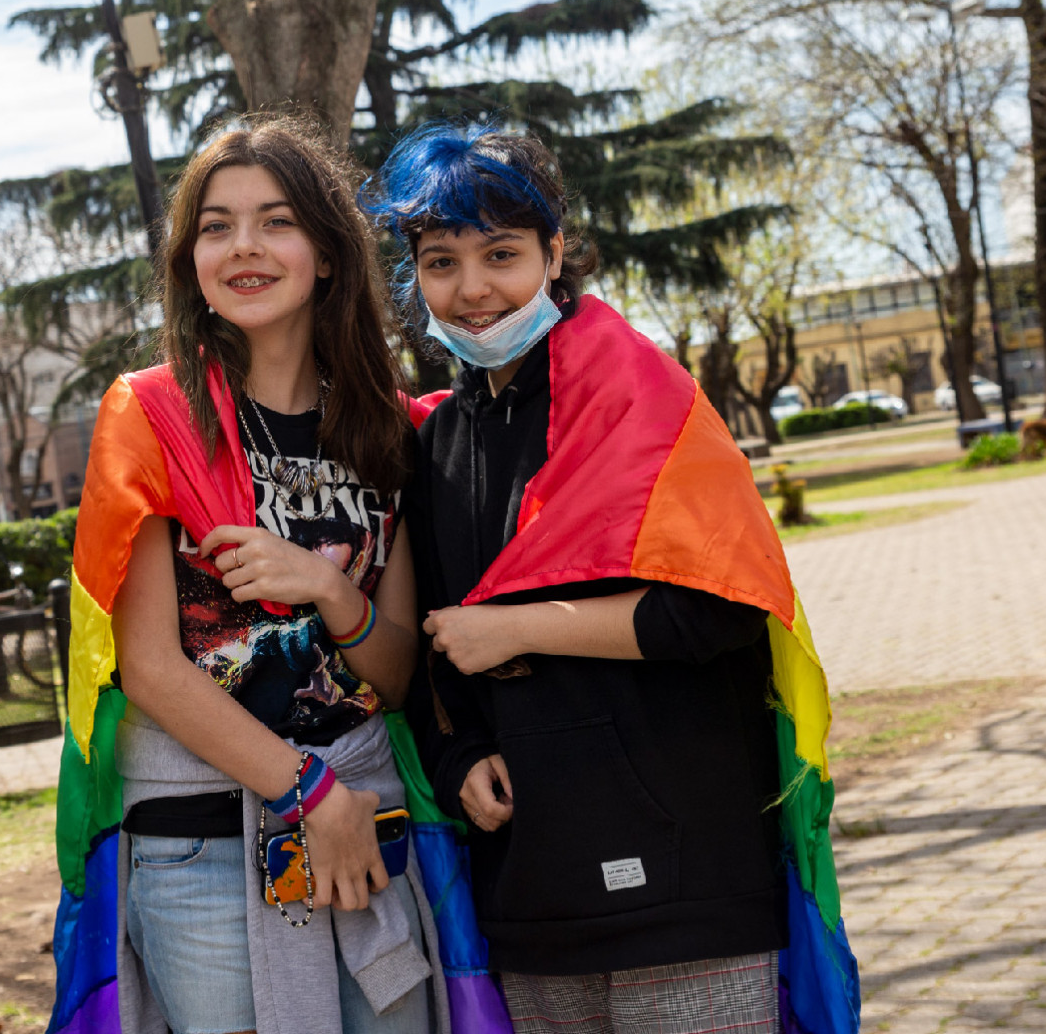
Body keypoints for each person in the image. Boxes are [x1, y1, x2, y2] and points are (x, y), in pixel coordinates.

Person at [361, 126, 858, 1034]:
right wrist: (461, 757)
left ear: (555, 254)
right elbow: (435, 654)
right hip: (531, 893)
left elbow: (717, 611)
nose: (471, 289)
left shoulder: (645, 402)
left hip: (687, 884)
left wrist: (517, 628)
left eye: (501, 255)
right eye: (441, 262)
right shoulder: (433, 446)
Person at [48, 115, 445, 1034]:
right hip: (202, 847)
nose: (244, 247)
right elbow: (147, 666)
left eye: (275, 221)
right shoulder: (151, 417)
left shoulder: (391, 430)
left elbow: (391, 673)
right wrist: (308, 794)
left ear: (328, 253)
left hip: (367, 831)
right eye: (216, 227)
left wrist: (332, 589)